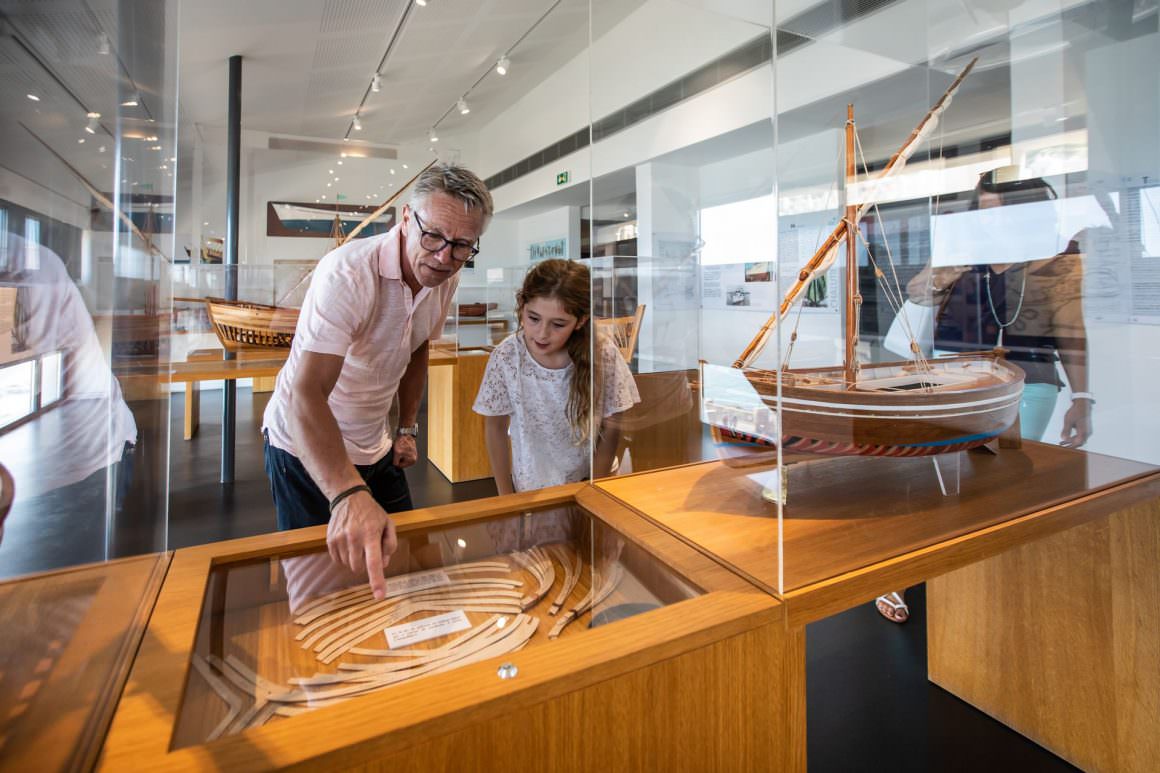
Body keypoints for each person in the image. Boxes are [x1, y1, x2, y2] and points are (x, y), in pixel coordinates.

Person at [262, 163, 492, 601]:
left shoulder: (446, 274)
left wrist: (407, 428)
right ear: (406, 219)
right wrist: (348, 493)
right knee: (323, 588)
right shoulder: (347, 273)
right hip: (305, 446)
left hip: (375, 443)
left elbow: (419, 343)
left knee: (403, 566)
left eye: (462, 245)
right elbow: (304, 394)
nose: (444, 257)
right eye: (434, 237)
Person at [875, 168, 1093, 624]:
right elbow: (915, 291)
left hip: (1026, 382)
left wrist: (1083, 396)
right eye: (982, 211)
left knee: (996, 485)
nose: (988, 221)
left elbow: (1071, 331)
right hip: (953, 385)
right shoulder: (964, 254)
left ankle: (982, 591)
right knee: (934, 479)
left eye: (997, 211)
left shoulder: (1054, 259)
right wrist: (943, 271)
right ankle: (917, 573)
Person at [473, 259, 640, 498]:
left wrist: (596, 491)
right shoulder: (507, 356)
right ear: (522, 307)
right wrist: (505, 497)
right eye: (533, 318)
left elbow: (611, 427)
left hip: (591, 483)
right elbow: (495, 427)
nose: (542, 334)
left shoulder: (603, 353)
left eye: (558, 324)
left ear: (580, 322)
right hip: (530, 487)